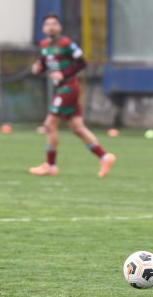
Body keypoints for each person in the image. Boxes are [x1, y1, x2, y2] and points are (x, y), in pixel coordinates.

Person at [28, 13, 116, 178]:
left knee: (49, 125)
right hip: (61, 88)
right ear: (43, 28)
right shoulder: (44, 45)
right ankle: (104, 157)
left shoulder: (67, 44)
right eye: (48, 24)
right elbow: (45, 63)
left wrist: (64, 73)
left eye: (54, 23)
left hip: (69, 88)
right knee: (77, 128)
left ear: (59, 27)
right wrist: (38, 68)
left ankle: (51, 166)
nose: (51, 27)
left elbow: (82, 62)